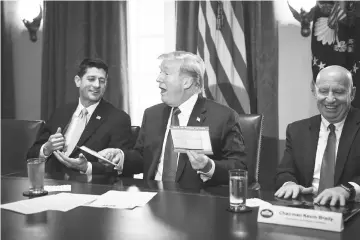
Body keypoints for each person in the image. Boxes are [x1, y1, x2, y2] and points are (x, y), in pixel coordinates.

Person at [98, 51, 247, 188]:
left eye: (166, 73)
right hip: (152, 199)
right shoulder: (152, 114)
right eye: (160, 72)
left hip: (196, 203)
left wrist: (209, 166)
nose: (158, 78)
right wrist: (121, 156)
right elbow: (142, 158)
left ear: (186, 82)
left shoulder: (223, 117)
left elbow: (239, 167)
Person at [27, 58, 132, 176]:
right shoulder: (61, 112)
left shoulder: (118, 119)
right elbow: (31, 154)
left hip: (89, 188)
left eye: (102, 81)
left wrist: (87, 167)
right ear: (78, 81)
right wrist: (47, 148)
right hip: (53, 183)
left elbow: (118, 167)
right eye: (91, 79)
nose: (97, 85)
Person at [275, 65, 360, 206]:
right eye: (324, 91)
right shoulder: (297, 130)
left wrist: (347, 189)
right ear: (314, 91)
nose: (330, 99)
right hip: (306, 210)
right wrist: (289, 184)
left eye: (338, 92)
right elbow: (284, 172)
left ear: (352, 93)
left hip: (351, 209)